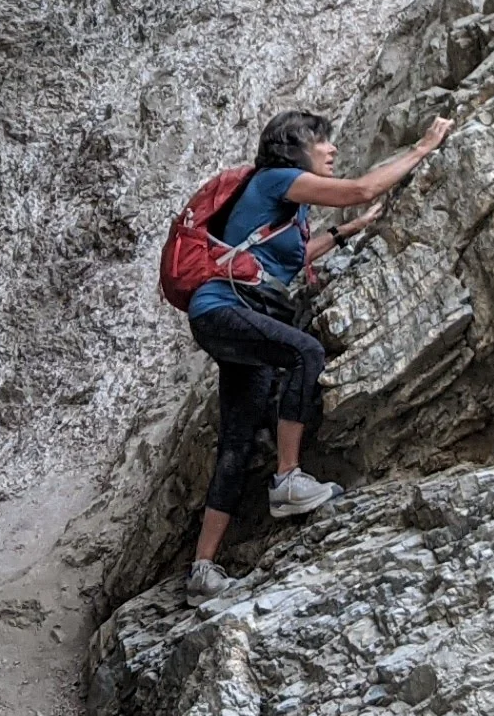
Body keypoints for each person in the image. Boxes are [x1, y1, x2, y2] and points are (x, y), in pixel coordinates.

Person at [181, 108, 454, 599]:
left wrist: (349, 231)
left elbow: (283, 261)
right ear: (293, 149)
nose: (331, 149)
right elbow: (360, 189)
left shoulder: (283, 209)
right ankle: (288, 480)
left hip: (229, 315)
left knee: (238, 440)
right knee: (306, 352)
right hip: (223, 307)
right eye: (321, 142)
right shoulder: (276, 179)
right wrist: (421, 149)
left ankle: (202, 570)